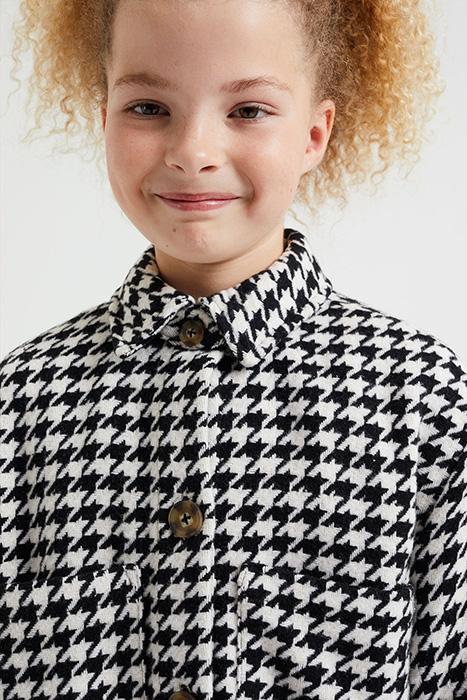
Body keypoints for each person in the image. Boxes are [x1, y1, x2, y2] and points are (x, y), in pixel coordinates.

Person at [1, 1, 465, 699]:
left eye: (248, 110)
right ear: (103, 119)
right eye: (149, 107)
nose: (193, 151)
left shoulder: (421, 400)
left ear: (314, 134)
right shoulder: (21, 403)